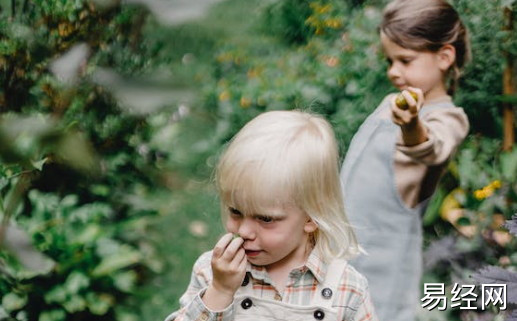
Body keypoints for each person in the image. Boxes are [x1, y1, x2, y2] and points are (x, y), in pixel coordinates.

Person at [165, 110, 378, 321]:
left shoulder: (347, 289)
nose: (244, 231)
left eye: (265, 219)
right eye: (235, 212)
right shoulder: (212, 273)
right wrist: (220, 291)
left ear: (312, 216)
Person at [340, 0, 470, 320]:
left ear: (444, 57)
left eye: (405, 60)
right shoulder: (391, 103)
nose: (393, 71)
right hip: (345, 247)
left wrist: (411, 124)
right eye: (389, 61)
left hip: (386, 262)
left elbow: (431, 147)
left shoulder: (449, 119)